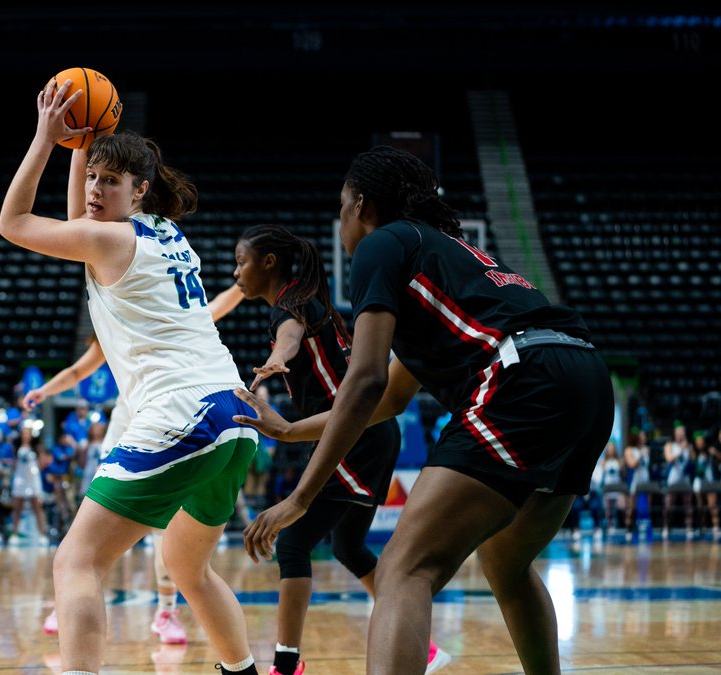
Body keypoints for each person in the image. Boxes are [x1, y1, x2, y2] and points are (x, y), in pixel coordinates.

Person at [234, 145, 613, 675]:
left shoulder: (381, 244)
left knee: (402, 570)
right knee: (506, 562)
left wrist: (300, 497)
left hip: (523, 375)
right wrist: (293, 429)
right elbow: (390, 396)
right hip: (586, 379)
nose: (339, 218)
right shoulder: (441, 254)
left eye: (342, 205)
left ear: (362, 205)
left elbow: (363, 381)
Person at [0, 78, 261, 675]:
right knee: (189, 568)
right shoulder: (167, 235)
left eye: (109, 181)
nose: (94, 189)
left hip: (182, 413)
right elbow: (78, 227)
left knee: (77, 562)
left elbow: (14, 222)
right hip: (235, 415)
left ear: (140, 190)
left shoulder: (114, 240)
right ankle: (242, 671)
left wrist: (46, 138)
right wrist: (81, 153)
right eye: (92, 175)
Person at [230, 223, 447, 675]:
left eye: (241, 262)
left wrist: (279, 358)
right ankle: (421, 646)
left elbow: (288, 335)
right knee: (348, 545)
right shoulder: (306, 300)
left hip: (353, 435)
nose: (235, 273)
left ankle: (286, 665)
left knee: (292, 543)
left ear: (268, 263)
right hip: (373, 431)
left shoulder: (288, 306)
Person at [8, 421, 50, 547]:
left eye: (28, 433)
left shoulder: (37, 448)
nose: (26, 436)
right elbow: (13, 464)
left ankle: (42, 534)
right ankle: (14, 533)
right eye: (24, 433)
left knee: (37, 507)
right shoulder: (16, 448)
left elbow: (43, 462)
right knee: (17, 508)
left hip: (33, 479)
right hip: (20, 479)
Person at [662, 424, 694, 539]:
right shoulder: (669, 445)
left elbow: (693, 460)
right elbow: (669, 459)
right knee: (669, 504)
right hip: (673, 478)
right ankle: (666, 527)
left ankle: (688, 527)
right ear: (675, 434)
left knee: (688, 504)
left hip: (685, 478)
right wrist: (681, 449)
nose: (681, 434)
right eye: (679, 432)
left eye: (683, 432)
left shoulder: (688, 446)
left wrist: (689, 449)